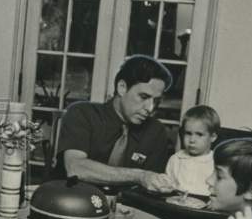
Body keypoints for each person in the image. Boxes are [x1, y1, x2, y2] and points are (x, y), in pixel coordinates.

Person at [54, 55, 175, 191]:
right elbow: (76, 168)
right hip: (72, 201)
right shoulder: (82, 113)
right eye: (144, 97)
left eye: (156, 101)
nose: (150, 108)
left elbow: (151, 185)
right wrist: (140, 176)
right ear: (122, 87)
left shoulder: (155, 131)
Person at [165, 105, 220, 197]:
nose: (192, 140)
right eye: (188, 133)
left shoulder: (217, 162)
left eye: (199, 134)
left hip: (205, 207)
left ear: (212, 137)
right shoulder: (175, 159)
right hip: (177, 204)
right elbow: (167, 186)